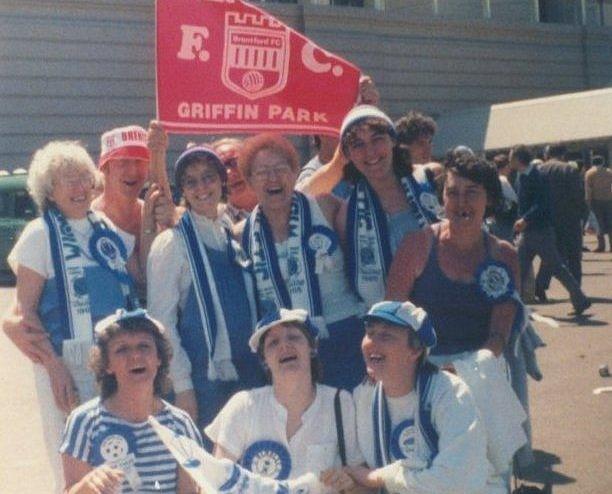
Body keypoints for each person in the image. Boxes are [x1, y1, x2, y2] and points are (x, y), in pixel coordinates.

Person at [3, 141, 141, 492]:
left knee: (116, 454)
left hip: (113, 361)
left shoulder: (104, 228)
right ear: (49, 190)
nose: (80, 188)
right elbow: (25, 315)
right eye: (68, 181)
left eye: (84, 177)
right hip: (66, 364)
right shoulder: (40, 234)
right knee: (74, 456)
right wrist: (54, 367)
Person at [386, 154, 529, 486]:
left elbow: (499, 334)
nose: (461, 202)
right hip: (422, 374)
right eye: (453, 192)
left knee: (486, 475)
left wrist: (463, 370)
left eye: (472, 192)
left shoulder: (505, 254)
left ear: (489, 199)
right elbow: (392, 321)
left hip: (481, 373)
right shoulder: (417, 245)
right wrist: (428, 372)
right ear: (442, 198)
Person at [147, 144, 263, 429]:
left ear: (221, 181)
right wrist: (184, 388)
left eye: (208, 177)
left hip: (247, 375)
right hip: (203, 384)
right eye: (191, 181)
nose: (202, 187)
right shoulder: (172, 244)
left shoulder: (229, 233)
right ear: (182, 190)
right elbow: (162, 323)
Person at [238, 133, 365, 390]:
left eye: (280, 169)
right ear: (249, 181)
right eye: (262, 172)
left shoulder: (324, 207)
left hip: (343, 336)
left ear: (296, 172)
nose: (273, 178)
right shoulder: (241, 233)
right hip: (287, 351)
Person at [341, 300, 492, 493]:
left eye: (386, 336)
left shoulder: (450, 393)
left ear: (416, 350)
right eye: (370, 333)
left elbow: (456, 481)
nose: (372, 343)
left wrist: (378, 477)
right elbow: (359, 474)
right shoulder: (363, 396)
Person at [205, 308, 363, 490]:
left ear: (312, 347)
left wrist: (349, 485)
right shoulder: (243, 406)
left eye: (293, 337)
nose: (284, 346)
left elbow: (366, 487)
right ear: (264, 360)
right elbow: (213, 484)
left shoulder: (340, 403)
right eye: (273, 343)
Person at [304, 105, 442, 308]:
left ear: (393, 140)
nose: (370, 152)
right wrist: (337, 162)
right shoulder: (346, 215)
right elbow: (299, 197)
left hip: (444, 305)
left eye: (377, 139)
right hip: (392, 320)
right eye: (358, 145)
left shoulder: (429, 180)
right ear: (347, 154)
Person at [60, 308, 202, 493]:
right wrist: (86, 486)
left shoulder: (180, 426)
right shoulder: (84, 422)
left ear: (159, 358)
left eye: (144, 346)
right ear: (107, 364)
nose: (135, 356)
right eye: (122, 349)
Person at [509, 145, 590, 314]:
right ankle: (509, 304)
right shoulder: (521, 176)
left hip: (540, 230)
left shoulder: (537, 175)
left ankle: (580, 299)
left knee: (557, 266)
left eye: (511, 156)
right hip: (529, 231)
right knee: (518, 267)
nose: (509, 159)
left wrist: (525, 218)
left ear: (518, 158)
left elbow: (542, 203)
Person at [92, 123, 175, 283]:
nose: (132, 171)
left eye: (139, 161)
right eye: (122, 162)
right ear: (105, 167)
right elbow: (142, 282)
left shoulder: (157, 210)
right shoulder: (90, 219)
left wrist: (158, 154)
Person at [535, 144, 588, 294]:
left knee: (550, 255)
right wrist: (583, 215)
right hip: (570, 219)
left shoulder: (540, 170)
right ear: (563, 154)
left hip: (548, 220)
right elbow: (578, 196)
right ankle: (575, 291)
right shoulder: (569, 169)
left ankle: (540, 286)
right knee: (573, 257)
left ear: (547, 154)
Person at [212, 137, 258, 223]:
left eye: (234, 163)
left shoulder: (283, 205)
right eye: (220, 169)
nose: (228, 173)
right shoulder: (215, 221)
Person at [585, 155, 612, 252]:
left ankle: (601, 246)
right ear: (603, 162)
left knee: (598, 223)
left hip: (596, 201)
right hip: (609, 200)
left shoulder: (589, 173)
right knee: (610, 222)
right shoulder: (609, 172)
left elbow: (588, 190)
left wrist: (588, 202)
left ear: (593, 162)